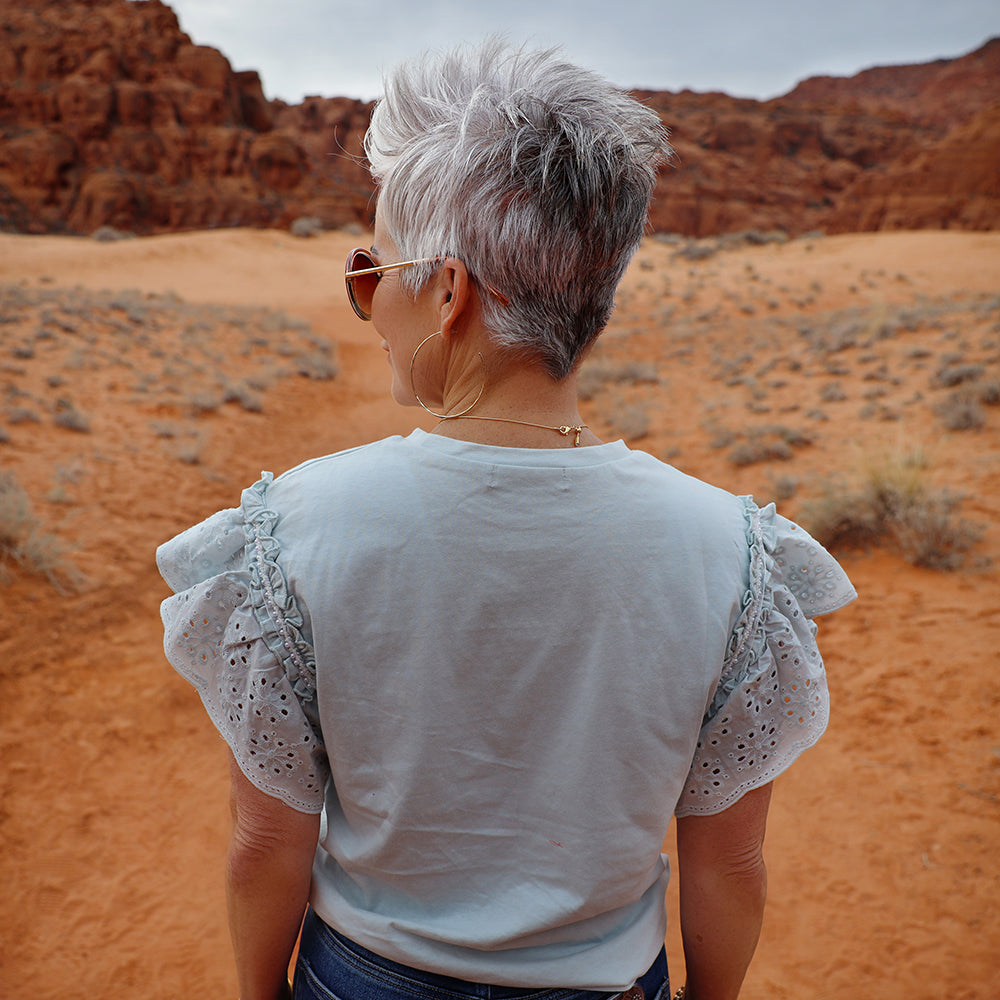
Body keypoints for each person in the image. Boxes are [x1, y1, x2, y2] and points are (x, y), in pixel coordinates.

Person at [157, 40, 856, 1000]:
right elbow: (728, 863)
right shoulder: (733, 553)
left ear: (445, 293)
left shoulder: (290, 531)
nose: (370, 307)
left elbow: (265, 842)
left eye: (371, 274)